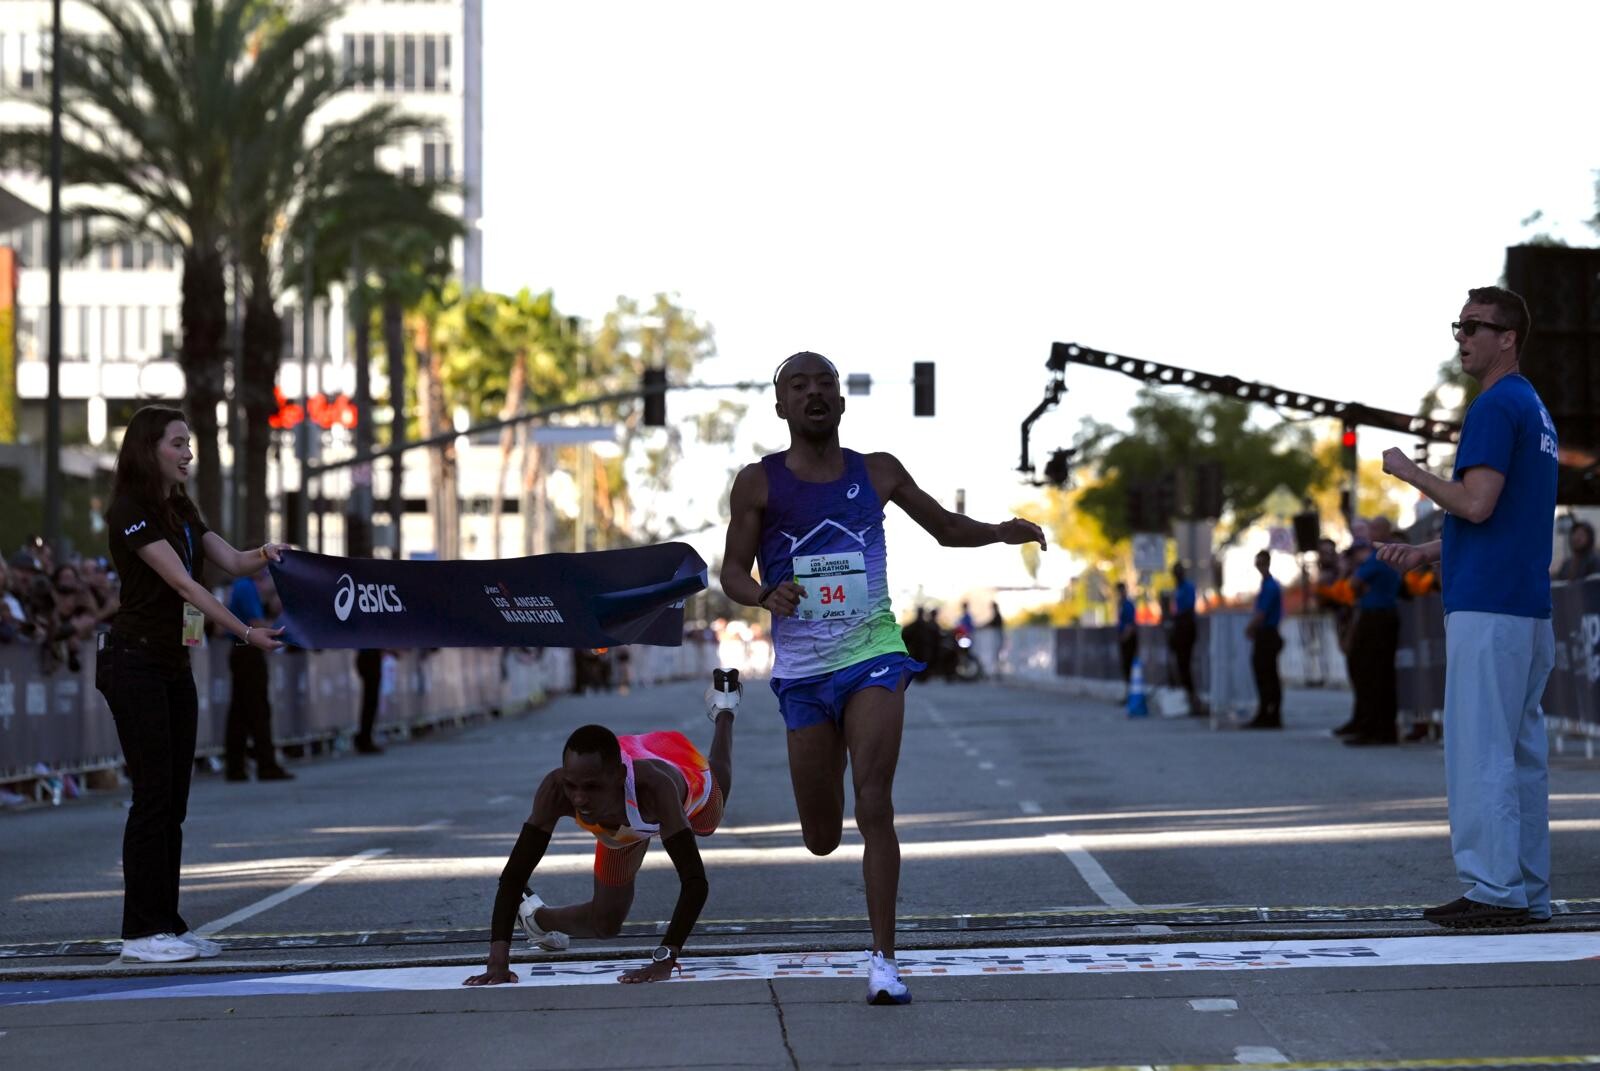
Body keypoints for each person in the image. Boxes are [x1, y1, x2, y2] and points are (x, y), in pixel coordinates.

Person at [719, 351, 1047, 1005]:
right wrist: (763, 594)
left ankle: (884, 963)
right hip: (804, 672)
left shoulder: (878, 471)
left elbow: (945, 528)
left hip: (873, 655)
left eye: (825, 384)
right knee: (820, 836)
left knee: (874, 805)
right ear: (781, 406)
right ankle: (828, 757)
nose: (814, 393)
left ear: (842, 402)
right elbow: (730, 571)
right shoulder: (758, 483)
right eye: (798, 386)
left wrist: (1000, 531)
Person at [1376, 286, 1559, 928]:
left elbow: (1476, 504)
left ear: (1508, 338)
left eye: (1476, 326)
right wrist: (1428, 551)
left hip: (1488, 606)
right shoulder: (1534, 407)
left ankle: (1493, 890)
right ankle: (1526, 889)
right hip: (1526, 606)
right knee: (1520, 756)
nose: (1463, 337)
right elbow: (1505, 514)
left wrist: (1409, 471)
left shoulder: (1494, 404)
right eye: (1459, 326)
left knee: (1480, 750)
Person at [99, 405, 288, 963]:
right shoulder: (130, 510)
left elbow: (232, 560)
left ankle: (168, 925)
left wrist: (268, 554)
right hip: (133, 661)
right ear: (148, 449)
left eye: (189, 443)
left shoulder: (181, 508)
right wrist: (245, 632)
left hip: (172, 664)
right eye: (177, 443)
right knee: (152, 797)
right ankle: (140, 932)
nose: (187, 453)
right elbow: (184, 585)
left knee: (174, 802)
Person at [464, 671, 740, 987]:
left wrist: (665, 958)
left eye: (592, 788)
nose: (579, 799)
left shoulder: (655, 788)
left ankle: (725, 711)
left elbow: (694, 882)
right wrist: (498, 962)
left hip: (684, 778)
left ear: (620, 777)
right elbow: (514, 875)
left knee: (710, 819)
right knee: (606, 924)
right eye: (572, 786)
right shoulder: (556, 790)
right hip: (622, 827)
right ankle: (536, 918)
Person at [224, 569, 293, 781]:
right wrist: (282, 631)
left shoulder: (244, 586)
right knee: (258, 709)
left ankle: (236, 766)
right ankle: (266, 764)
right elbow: (255, 622)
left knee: (240, 711)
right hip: (248, 651)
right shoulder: (246, 587)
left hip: (242, 650)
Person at [1341, 539, 1401, 746]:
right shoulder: (1382, 560)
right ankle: (1377, 726)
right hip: (1380, 616)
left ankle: (1375, 727)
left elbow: (1353, 583)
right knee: (1377, 673)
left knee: (1371, 673)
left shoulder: (1377, 559)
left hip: (1376, 618)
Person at [1244, 549, 1283, 729]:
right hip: (1265, 633)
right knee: (1265, 674)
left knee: (1267, 674)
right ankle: (1267, 711)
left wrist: (1250, 627)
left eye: (1261, 563)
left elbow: (1262, 613)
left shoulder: (1270, 586)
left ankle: (1270, 713)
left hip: (1268, 634)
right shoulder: (1266, 585)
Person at [1167, 562, 1202, 716]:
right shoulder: (1177, 590)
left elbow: (1187, 608)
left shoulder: (1188, 588)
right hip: (1178, 629)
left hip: (1186, 628)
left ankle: (1194, 699)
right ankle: (1188, 698)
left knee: (1186, 664)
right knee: (1181, 666)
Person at [353, 649, 386, 754]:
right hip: (369, 657)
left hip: (370, 656)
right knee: (370, 702)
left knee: (370, 701)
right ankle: (365, 739)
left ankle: (365, 738)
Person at [1115, 582, 1137, 701]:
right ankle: (1127, 692)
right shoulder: (1121, 604)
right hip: (1123, 638)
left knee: (1129, 666)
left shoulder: (1128, 605)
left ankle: (1130, 693)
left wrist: (1125, 636)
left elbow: (1130, 624)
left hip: (1128, 639)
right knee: (1125, 667)